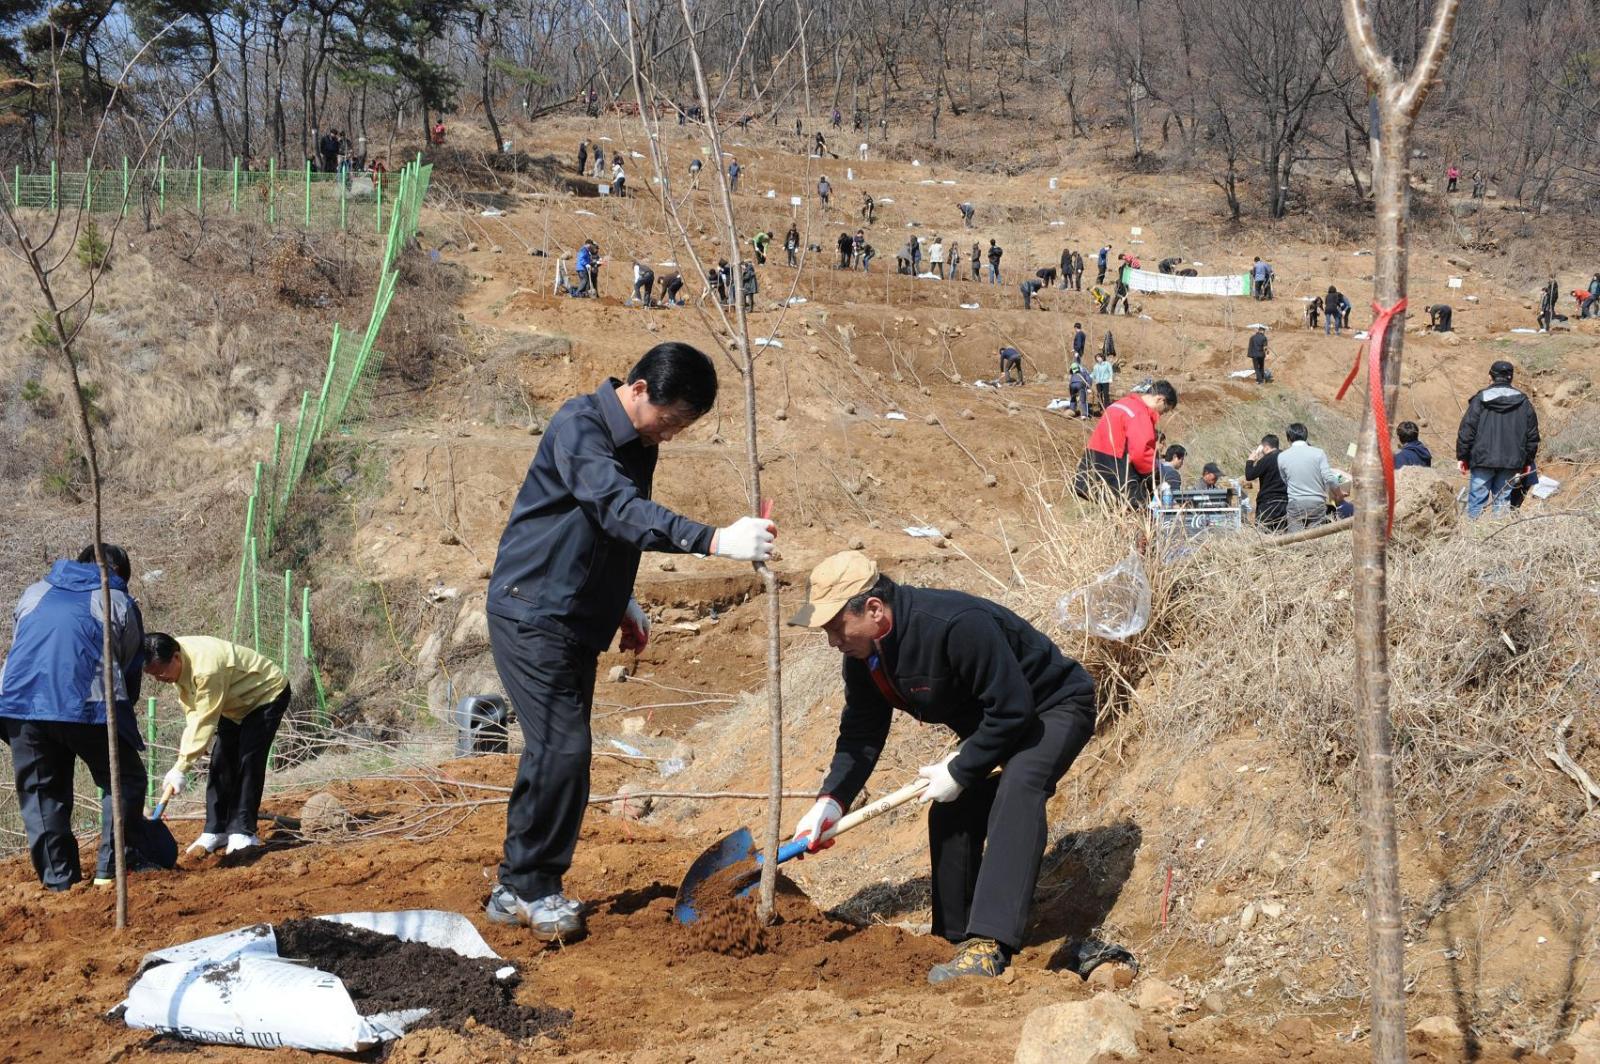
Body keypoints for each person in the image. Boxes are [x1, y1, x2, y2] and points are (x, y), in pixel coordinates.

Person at [483, 344, 777, 940]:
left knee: (552, 752)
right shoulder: (580, 426)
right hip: (532, 611)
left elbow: (600, 530)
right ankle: (534, 890)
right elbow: (619, 509)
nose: (667, 437)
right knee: (564, 750)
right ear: (639, 389)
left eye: (680, 429)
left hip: (573, 614)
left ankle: (516, 884)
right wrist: (715, 541)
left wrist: (618, 600)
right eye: (668, 422)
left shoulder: (637, 442)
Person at [786, 552, 1097, 983]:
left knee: (1020, 788)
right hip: (998, 720)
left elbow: (1013, 710)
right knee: (952, 810)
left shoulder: (955, 624)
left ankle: (990, 944)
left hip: (1052, 708)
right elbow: (861, 732)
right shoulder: (868, 656)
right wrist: (831, 800)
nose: (832, 641)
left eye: (836, 627)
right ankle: (952, 937)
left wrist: (962, 767)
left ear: (873, 610)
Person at [0, 545, 172, 890]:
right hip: (89, 704)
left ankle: (59, 883)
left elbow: (23, 643)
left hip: (19, 704)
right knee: (124, 779)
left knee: (41, 792)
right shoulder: (120, 601)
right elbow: (129, 666)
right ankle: (110, 872)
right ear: (120, 574)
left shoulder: (34, 592)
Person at [141, 633, 290, 857]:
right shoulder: (173, 663)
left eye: (160, 672)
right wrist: (181, 763)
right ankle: (216, 829)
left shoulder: (206, 669)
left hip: (264, 695)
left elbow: (204, 720)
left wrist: (182, 766)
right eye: (153, 675)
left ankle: (243, 831)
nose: (158, 679)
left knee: (248, 760)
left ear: (176, 657)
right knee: (221, 761)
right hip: (232, 703)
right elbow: (193, 714)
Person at [1455, 360, 1539, 518]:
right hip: (1511, 462)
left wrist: (1462, 457)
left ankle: (1472, 539)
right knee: (1502, 502)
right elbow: (1532, 436)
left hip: (1482, 459)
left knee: (1476, 501)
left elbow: (1467, 431)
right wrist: (1527, 461)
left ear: (1490, 377)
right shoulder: (1524, 402)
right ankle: (1496, 539)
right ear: (1511, 378)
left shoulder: (1480, 399)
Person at [1073, 381, 1179, 507]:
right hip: (1117, 471)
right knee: (1140, 512)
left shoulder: (1120, 404)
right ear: (1160, 400)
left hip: (1093, 468)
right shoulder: (1139, 413)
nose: (1161, 414)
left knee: (1112, 513)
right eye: (1165, 410)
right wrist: (1156, 478)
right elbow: (1141, 453)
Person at [1278, 423, 1343, 531]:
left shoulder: (1282, 457)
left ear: (1288, 438)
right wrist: (1339, 494)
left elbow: (1286, 481)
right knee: (1315, 539)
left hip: (1296, 503)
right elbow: (1329, 478)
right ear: (1306, 436)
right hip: (1316, 503)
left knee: (1295, 540)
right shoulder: (1319, 453)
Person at [1244, 436, 1288, 532]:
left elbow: (1249, 475)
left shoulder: (1266, 459)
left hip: (1267, 504)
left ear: (1266, 447)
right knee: (1283, 535)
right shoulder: (1287, 457)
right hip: (1285, 502)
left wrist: (1250, 460)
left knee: (1264, 536)